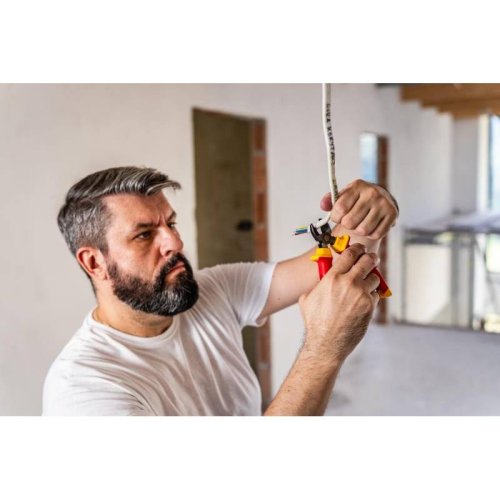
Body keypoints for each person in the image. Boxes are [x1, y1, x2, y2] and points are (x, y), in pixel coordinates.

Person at [43, 166, 398, 416]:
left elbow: (333, 259)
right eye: (144, 235)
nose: (175, 242)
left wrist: (371, 214)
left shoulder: (214, 290)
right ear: (94, 262)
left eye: (171, 223)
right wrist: (322, 352)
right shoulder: (82, 391)